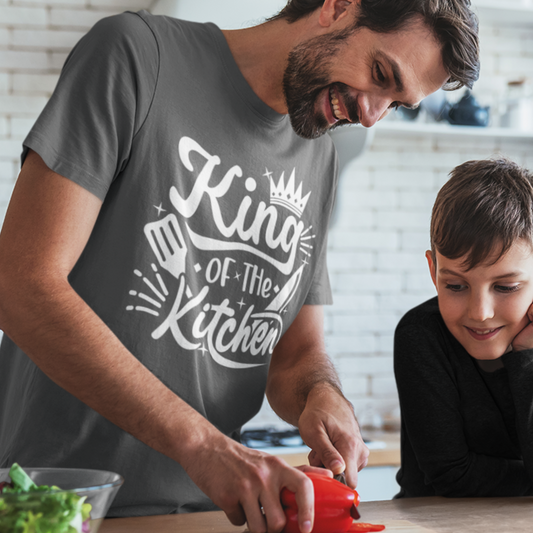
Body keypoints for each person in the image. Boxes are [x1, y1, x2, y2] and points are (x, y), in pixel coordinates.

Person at [0, 0, 479, 530]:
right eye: (381, 74)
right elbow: (20, 284)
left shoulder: (319, 153)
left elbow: (297, 354)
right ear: (339, 6)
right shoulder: (137, 56)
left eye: (397, 103)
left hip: (213, 516)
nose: (371, 114)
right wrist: (201, 445)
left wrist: (322, 396)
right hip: (61, 506)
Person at [394, 158, 533, 498]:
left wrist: (525, 356)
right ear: (433, 270)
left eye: (505, 287)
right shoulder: (420, 335)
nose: (481, 313)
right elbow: (452, 475)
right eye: (455, 286)